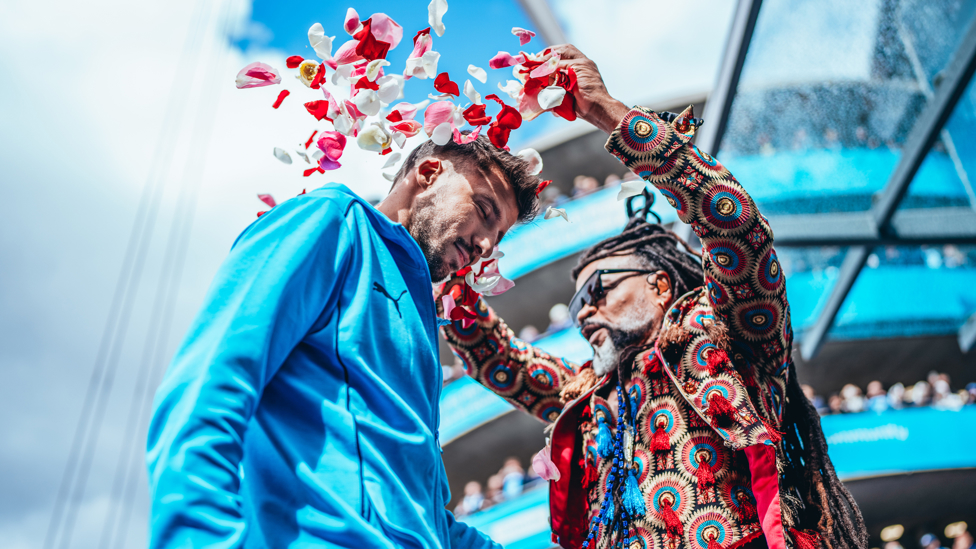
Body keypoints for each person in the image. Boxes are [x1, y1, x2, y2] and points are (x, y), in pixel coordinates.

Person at [438, 45, 867, 549]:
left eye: (597, 290)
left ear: (661, 286)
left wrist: (608, 113)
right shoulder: (587, 395)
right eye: (577, 306)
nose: (585, 314)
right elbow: (495, 357)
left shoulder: (729, 339)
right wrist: (448, 253)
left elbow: (736, 229)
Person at [146, 135, 543, 548]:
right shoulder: (333, 220)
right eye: (483, 210)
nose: (484, 246)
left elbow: (421, 510)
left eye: (496, 238)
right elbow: (209, 384)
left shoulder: (422, 318)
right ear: (427, 173)